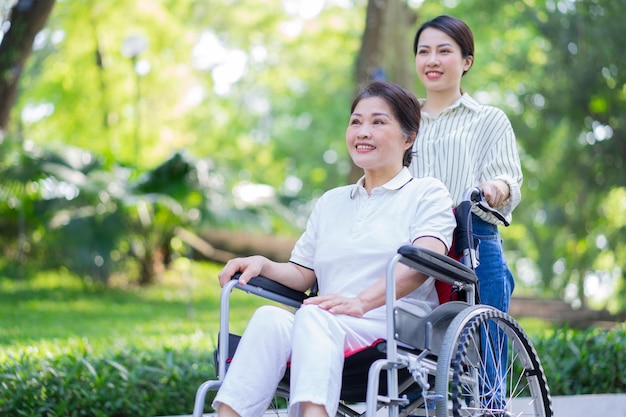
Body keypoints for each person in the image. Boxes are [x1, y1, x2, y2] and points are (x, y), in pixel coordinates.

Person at [212, 80, 456, 417]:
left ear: (409, 137)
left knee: (314, 314)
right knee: (269, 318)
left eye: (378, 122)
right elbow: (301, 273)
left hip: (393, 327)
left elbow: (423, 263)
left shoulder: (427, 193)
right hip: (324, 325)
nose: (362, 132)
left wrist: (361, 302)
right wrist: (264, 264)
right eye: (356, 121)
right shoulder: (331, 202)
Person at [409, 15, 524, 409]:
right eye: (424, 51)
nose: (432, 60)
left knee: (487, 363)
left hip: (472, 241)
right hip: (413, 248)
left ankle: (493, 409)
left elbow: (509, 178)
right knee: (418, 363)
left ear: (466, 61)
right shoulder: (403, 121)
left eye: (444, 51)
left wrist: (496, 188)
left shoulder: (487, 119)